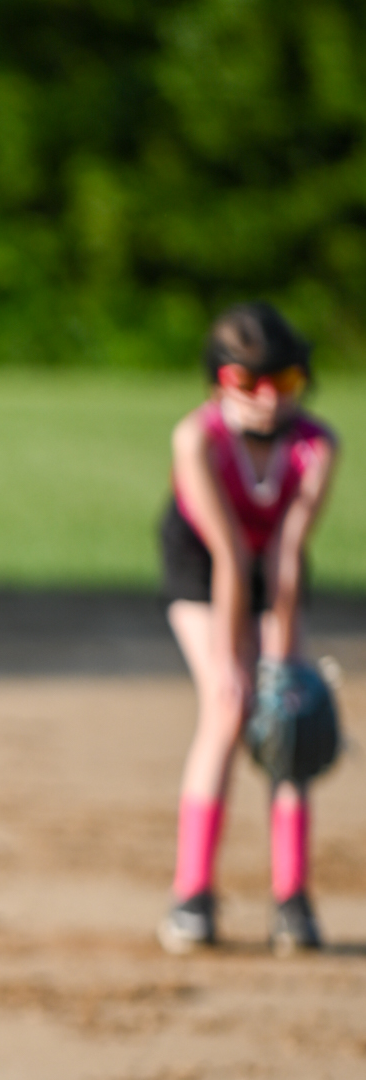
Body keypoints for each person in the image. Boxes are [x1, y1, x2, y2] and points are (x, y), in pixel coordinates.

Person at [158, 302, 339, 955]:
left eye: (285, 381)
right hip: (200, 565)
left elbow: (286, 554)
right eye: (248, 381)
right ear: (217, 380)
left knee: (288, 716)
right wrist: (234, 667)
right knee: (227, 705)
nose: (268, 398)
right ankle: (192, 896)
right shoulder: (197, 439)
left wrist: (281, 667)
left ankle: (292, 900)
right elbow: (228, 556)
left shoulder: (315, 445)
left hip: (273, 573)